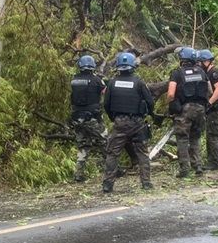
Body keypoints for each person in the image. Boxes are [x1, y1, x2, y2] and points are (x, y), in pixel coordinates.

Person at [102, 51, 154, 193]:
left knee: (113, 153)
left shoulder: (112, 83)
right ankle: (146, 183)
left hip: (119, 122)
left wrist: (114, 118)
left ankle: (108, 184)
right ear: (133, 66)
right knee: (143, 153)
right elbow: (150, 101)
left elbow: (106, 104)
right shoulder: (139, 82)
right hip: (137, 123)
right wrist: (147, 114)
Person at [166, 47, 209, 178]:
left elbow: (171, 94)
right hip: (200, 109)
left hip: (185, 109)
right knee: (195, 137)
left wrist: (171, 105)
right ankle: (198, 166)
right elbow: (210, 91)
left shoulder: (177, 73)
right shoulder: (202, 72)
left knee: (182, 138)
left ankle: (185, 169)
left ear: (182, 59)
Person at [68, 55, 107, 183]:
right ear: (92, 67)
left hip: (77, 118)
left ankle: (78, 174)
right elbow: (105, 92)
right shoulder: (96, 80)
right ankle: (113, 169)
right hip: (93, 118)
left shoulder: (74, 80)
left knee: (83, 145)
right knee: (105, 141)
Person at [198, 48, 218, 170]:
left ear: (206, 61)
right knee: (215, 134)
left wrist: (209, 103)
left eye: (200, 62)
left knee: (212, 135)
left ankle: (214, 162)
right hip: (214, 108)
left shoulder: (214, 72)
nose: (199, 64)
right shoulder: (208, 73)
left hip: (216, 109)